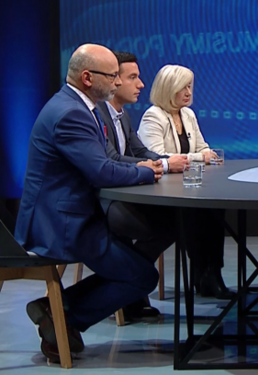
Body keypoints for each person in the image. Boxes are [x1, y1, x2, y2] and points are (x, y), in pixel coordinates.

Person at [15, 44, 164, 362]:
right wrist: (145, 172)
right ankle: (61, 314)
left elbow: (103, 164)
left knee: (139, 255)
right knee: (143, 275)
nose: (117, 82)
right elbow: (101, 171)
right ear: (87, 78)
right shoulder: (71, 113)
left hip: (73, 215)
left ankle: (57, 311)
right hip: (61, 224)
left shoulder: (78, 106)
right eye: (112, 76)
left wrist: (141, 168)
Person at [95, 51, 189, 321]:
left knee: (176, 221)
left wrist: (168, 161)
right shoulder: (97, 115)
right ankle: (126, 287)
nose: (141, 84)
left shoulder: (122, 115)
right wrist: (166, 165)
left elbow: (140, 152)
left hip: (123, 194)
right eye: (133, 77)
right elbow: (111, 159)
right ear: (114, 80)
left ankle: (129, 290)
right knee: (167, 225)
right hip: (102, 200)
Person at [138, 64, 233, 299]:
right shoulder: (153, 116)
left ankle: (211, 273)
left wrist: (206, 153)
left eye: (190, 86)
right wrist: (200, 157)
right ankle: (203, 276)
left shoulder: (188, 114)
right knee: (195, 213)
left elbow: (202, 147)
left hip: (188, 185)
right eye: (183, 87)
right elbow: (157, 157)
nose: (189, 92)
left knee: (214, 207)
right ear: (168, 88)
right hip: (161, 190)